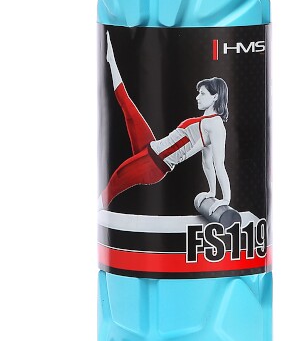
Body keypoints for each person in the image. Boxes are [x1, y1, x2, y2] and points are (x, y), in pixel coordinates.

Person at [99, 32, 231, 216]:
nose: (197, 97)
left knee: (117, 178)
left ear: (215, 97)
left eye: (202, 93)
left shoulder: (215, 126)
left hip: (154, 164)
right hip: (151, 147)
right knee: (127, 105)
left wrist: (225, 199)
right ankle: (111, 59)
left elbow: (219, 164)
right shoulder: (205, 120)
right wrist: (211, 192)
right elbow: (206, 162)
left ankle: (96, 208)